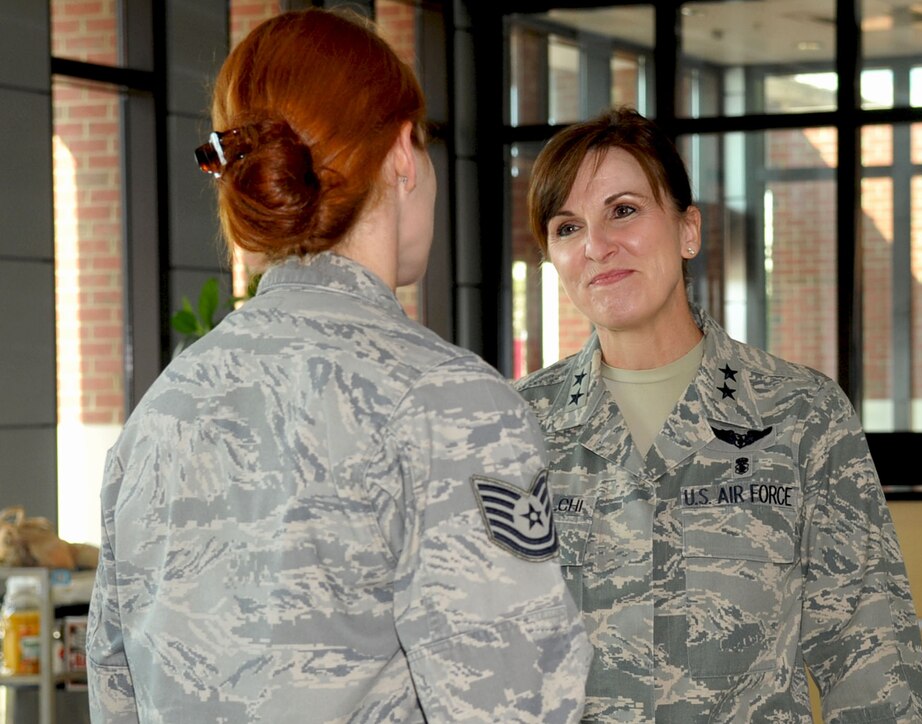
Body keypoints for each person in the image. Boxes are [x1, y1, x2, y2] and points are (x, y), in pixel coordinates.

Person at [87, 9, 590, 723]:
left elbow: (115, 688)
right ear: (403, 156)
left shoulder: (166, 410)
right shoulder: (445, 403)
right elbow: (517, 704)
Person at [514, 107, 922, 723]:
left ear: (689, 230)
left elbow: (870, 657)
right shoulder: (516, 427)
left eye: (624, 210)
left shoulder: (800, 415)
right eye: (567, 227)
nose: (597, 246)